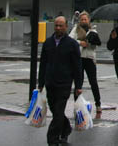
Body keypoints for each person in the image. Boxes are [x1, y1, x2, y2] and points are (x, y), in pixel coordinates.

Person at [38, 16, 83, 146]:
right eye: (56, 26)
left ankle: (52, 139)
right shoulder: (48, 43)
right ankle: (66, 128)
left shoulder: (72, 44)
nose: (58, 28)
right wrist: (41, 83)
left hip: (64, 83)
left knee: (58, 112)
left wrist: (78, 86)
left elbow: (77, 67)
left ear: (66, 27)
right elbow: (43, 64)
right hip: (50, 83)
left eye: (61, 26)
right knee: (55, 110)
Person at [69, 11, 102, 114]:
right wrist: (80, 42)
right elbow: (70, 40)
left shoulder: (93, 30)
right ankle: (77, 104)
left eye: (85, 19)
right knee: (78, 82)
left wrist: (91, 41)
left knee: (93, 82)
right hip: (79, 58)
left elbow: (96, 44)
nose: (83, 21)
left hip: (90, 58)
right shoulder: (76, 29)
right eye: (82, 19)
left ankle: (98, 104)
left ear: (89, 20)